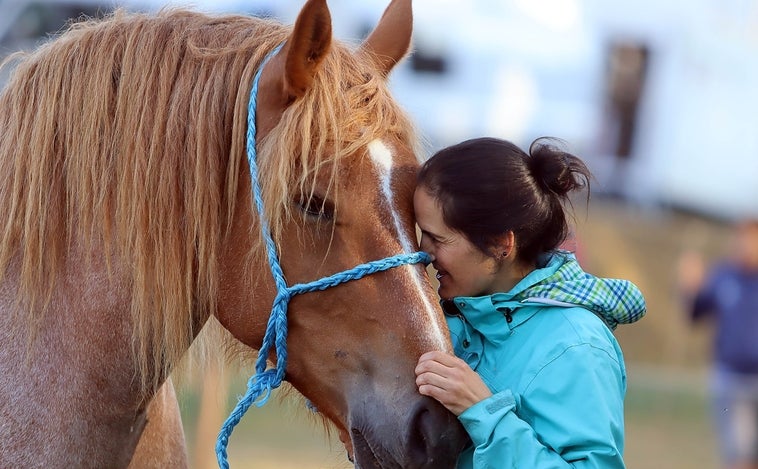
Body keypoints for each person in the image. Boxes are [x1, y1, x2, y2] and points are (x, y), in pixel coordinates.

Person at [412, 137, 646, 468]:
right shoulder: (454, 318)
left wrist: (484, 413)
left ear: (500, 244)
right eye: (421, 233)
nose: (424, 252)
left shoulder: (576, 345)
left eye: (437, 238)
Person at [678, 219, 758, 469]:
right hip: (731, 378)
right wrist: (689, 287)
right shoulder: (723, 275)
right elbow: (694, 314)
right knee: (739, 455)